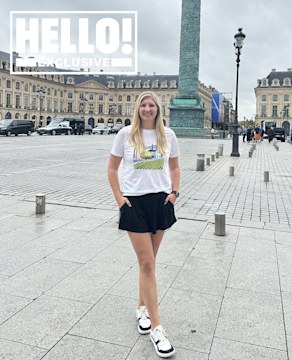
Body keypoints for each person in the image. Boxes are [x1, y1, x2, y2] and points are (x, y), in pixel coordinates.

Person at [107, 91, 180, 358]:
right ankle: (157, 328)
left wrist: (174, 193)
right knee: (147, 264)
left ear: (158, 110)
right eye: (143, 105)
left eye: (152, 105)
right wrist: (119, 198)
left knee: (148, 263)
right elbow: (112, 168)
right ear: (137, 109)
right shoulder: (125, 135)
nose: (147, 109)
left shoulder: (168, 136)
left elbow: (174, 167)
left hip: (160, 202)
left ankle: (141, 308)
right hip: (134, 204)